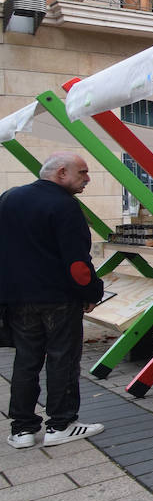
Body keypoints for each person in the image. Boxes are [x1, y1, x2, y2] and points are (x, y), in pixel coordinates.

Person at [0, 153, 106, 448]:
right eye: (83, 172)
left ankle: (22, 429)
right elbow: (77, 264)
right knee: (63, 359)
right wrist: (91, 293)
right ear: (62, 173)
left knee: (26, 360)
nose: (87, 179)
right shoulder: (64, 205)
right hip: (58, 298)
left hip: (17, 297)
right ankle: (61, 424)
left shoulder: (9, 198)